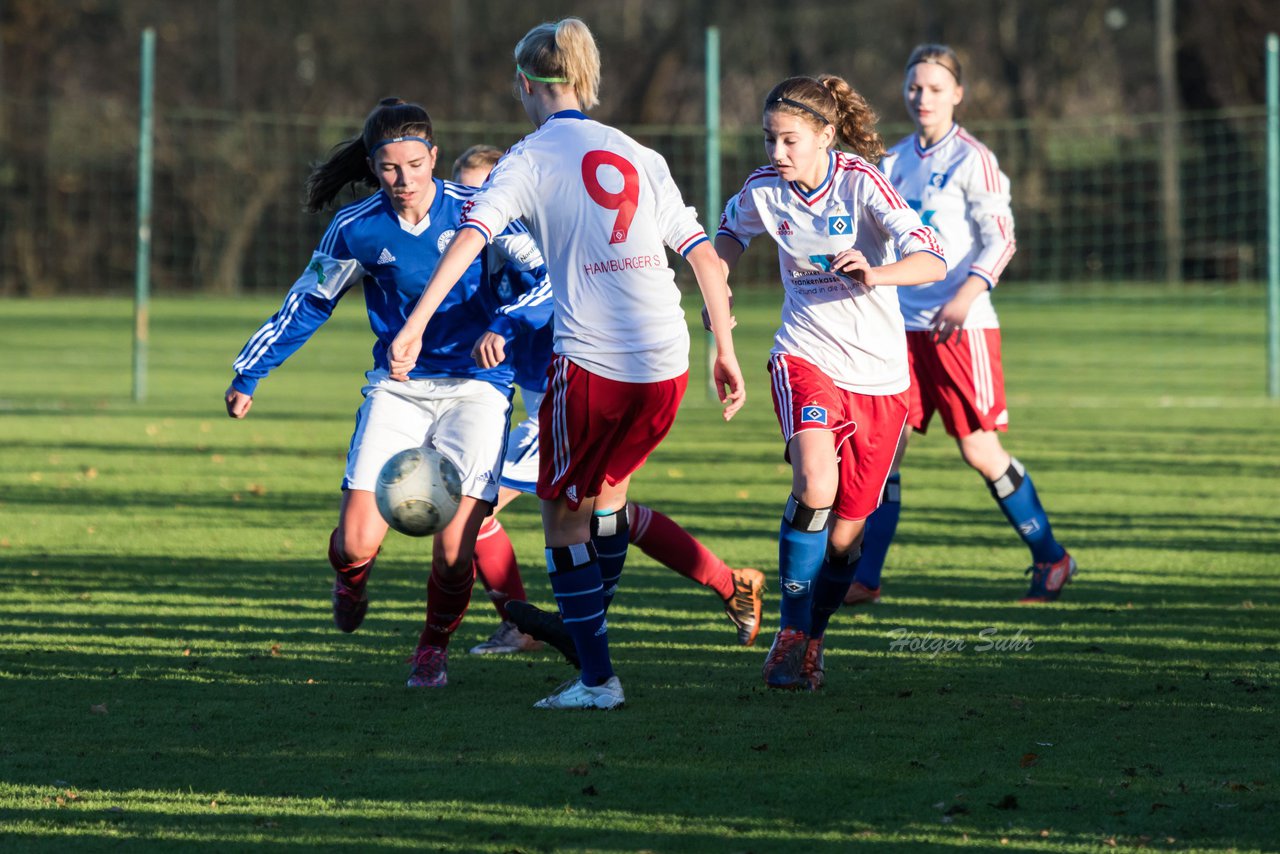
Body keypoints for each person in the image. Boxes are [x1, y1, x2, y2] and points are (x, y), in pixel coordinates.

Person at [389, 17, 744, 710]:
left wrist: (417, 320)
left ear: (527, 85)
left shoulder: (529, 158)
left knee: (560, 513)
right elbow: (703, 255)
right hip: (667, 360)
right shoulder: (639, 152)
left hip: (594, 361)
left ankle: (595, 676)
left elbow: (471, 236)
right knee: (604, 498)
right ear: (583, 79)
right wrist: (725, 349)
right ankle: (589, 639)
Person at [224, 98, 551, 689]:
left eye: (415, 165)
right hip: (398, 390)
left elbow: (546, 283)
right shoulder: (356, 229)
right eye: (390, 168)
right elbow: (307, 305)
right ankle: (350, 581)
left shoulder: (483, 211)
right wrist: (250, 372)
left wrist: (502, 326)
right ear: (374, 166)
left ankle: (432, 648)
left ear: (434, 156)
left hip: (477, 390)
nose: (404, 180)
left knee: (456, 550)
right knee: (353, 542)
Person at [447, 147, 767, 658]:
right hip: (545, 398)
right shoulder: (474, 247)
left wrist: (503, 323)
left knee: (473, 513)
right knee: (609, 511)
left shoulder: (541, 242)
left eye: (481, 193)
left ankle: (527, 626)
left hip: (569, 395)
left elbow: (549, 289)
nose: (471, 204)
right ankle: (729, 583)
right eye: (463, 193)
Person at [715, 74, 946, 691]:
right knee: (816, 483)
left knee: (847, 536)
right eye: (770, 140)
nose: (776, 153)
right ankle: (791, 632)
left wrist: (877, 272)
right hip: (806, 356)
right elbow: (729, 236)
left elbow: (932, 257)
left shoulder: (860, 182)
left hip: (880, 374)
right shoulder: (765, 190)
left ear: (825, 135)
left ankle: (812, 637)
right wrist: (721, 287)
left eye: (789, 140)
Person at [850, 44, 1075, 606]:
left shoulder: (974, 159)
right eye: (913, 87)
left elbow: (1002, 238)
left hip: (961, 329)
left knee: (979, 450)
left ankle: (1052, 557)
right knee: (888, 448)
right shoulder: (894, 161)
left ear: (957, 94)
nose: (921, 97)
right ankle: (866, 579)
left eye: (933, 88)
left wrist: (967, 293)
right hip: (901, 329)